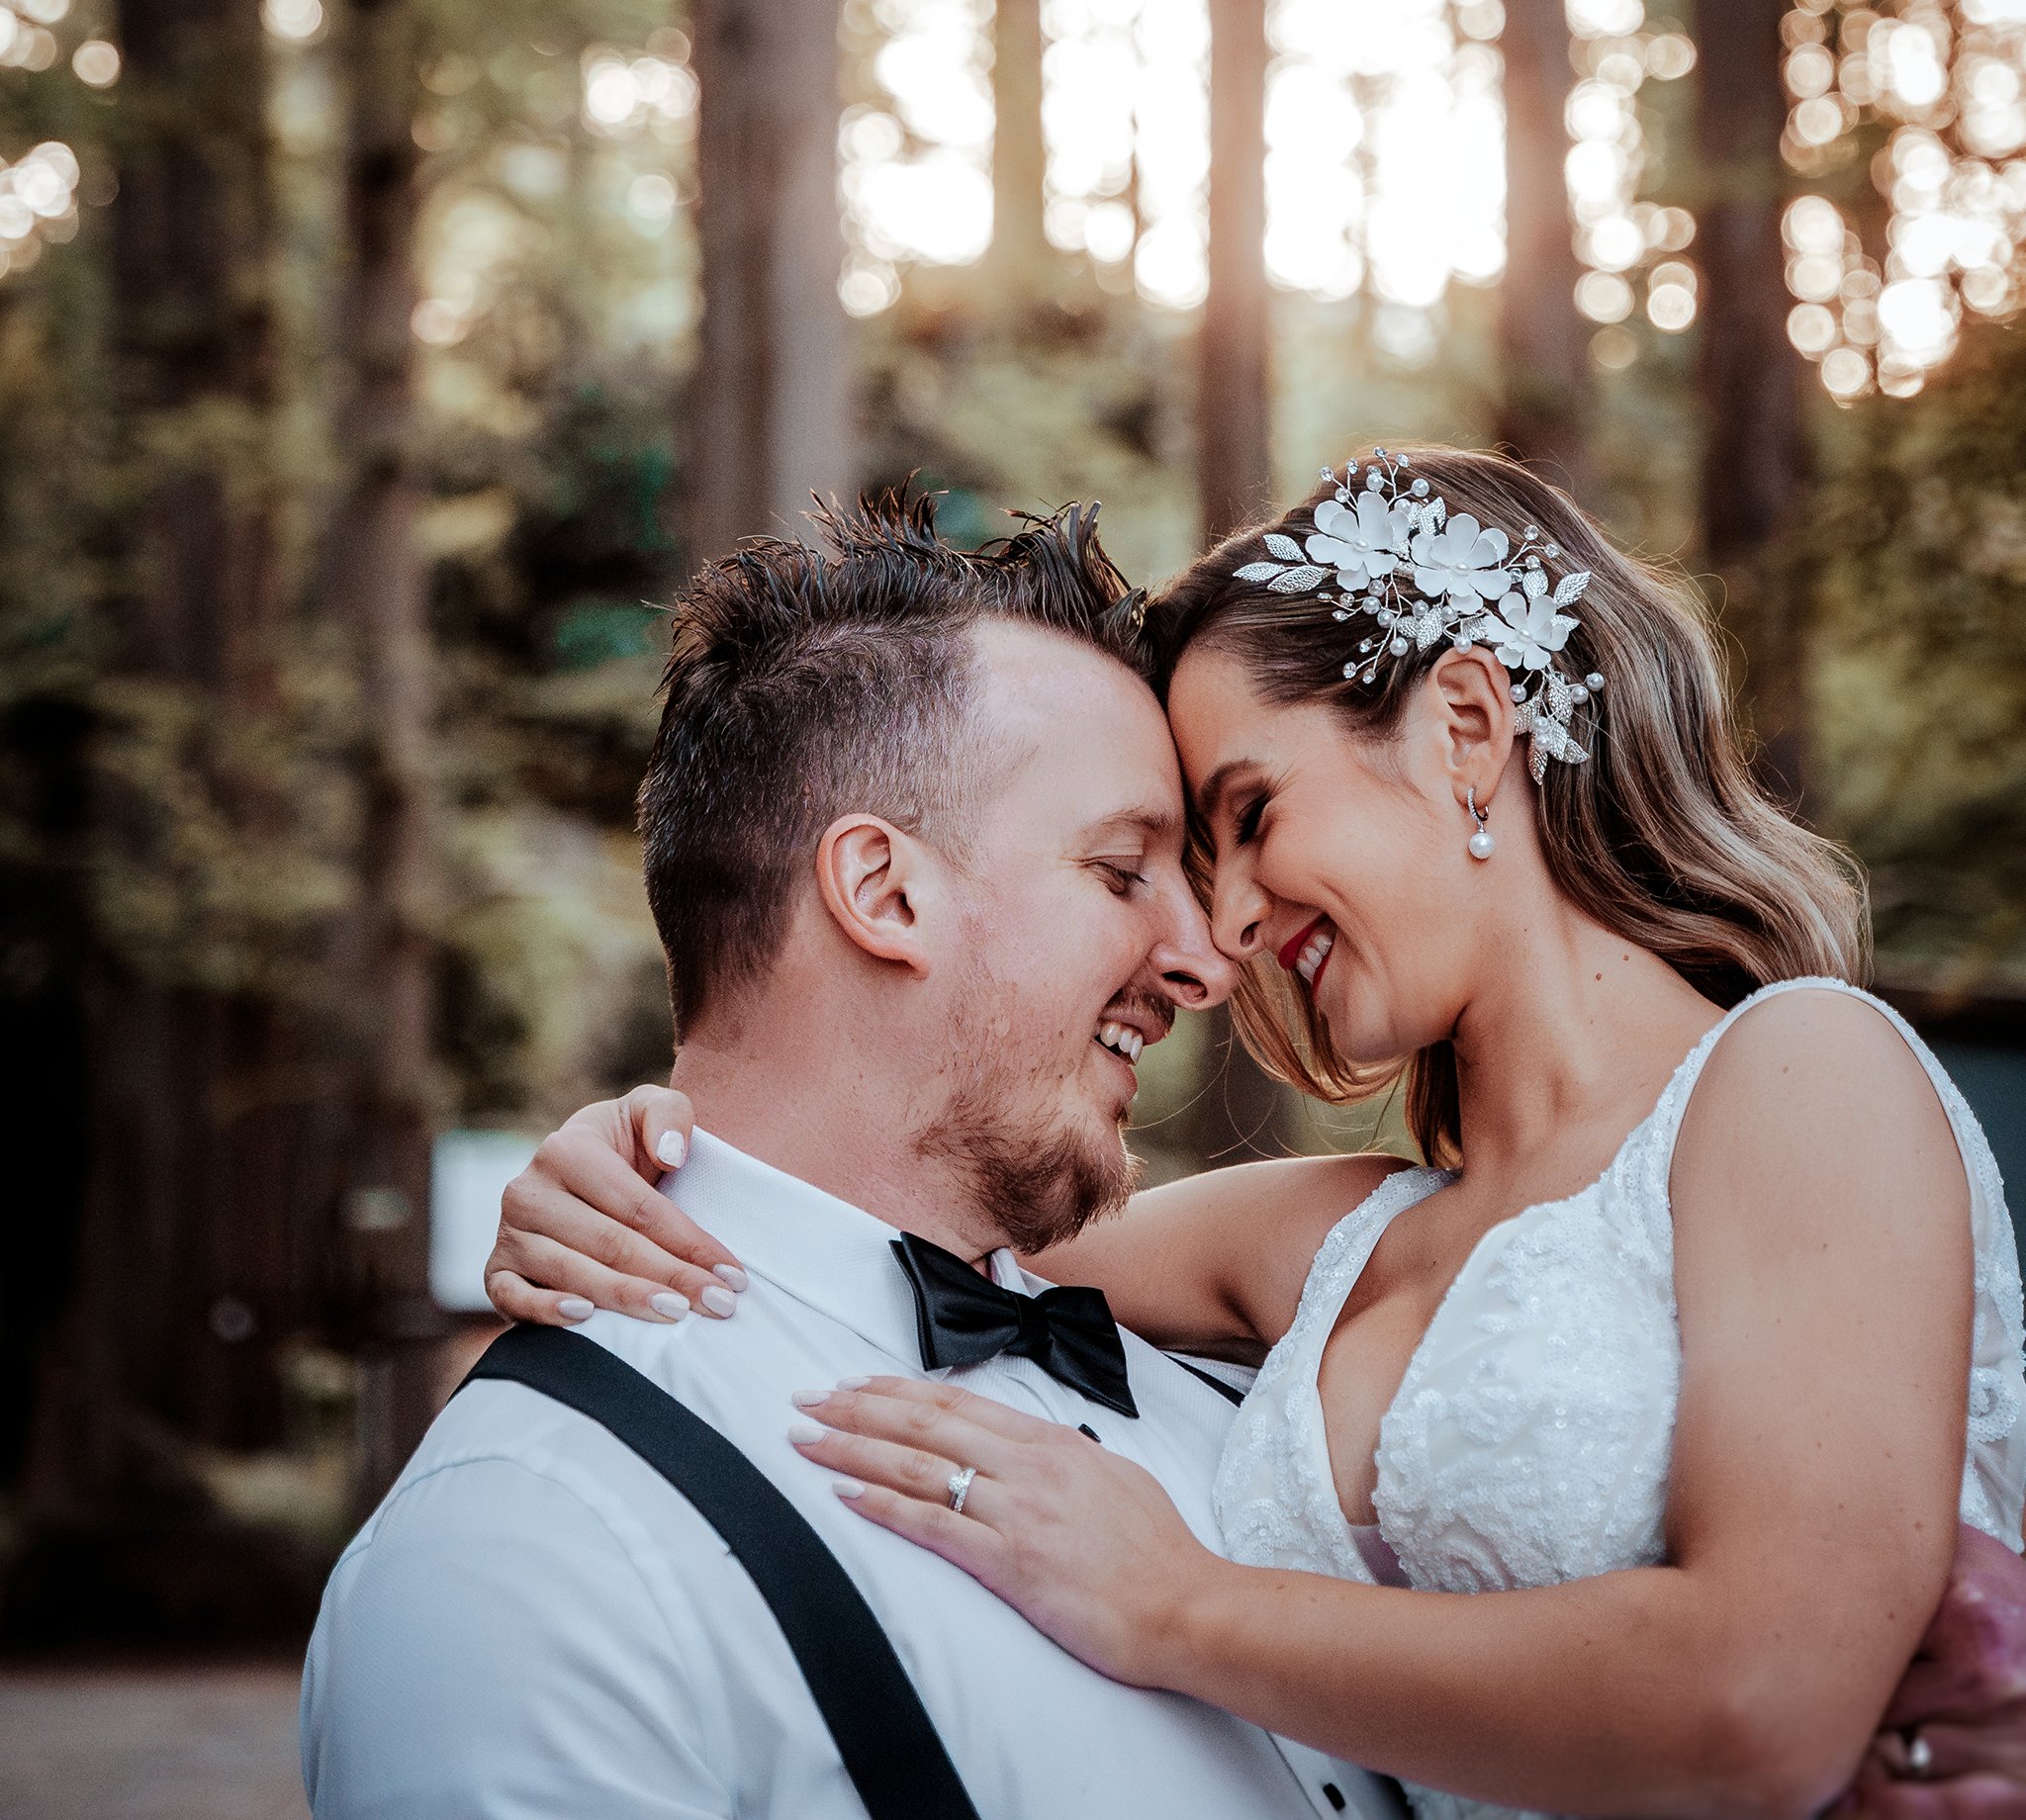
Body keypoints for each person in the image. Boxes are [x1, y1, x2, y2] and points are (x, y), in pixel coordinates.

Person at [490, 452, 2026, 1820]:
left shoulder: (1805, 1076)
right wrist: (633, 1153)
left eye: (1249, 815)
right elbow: (898, 1189)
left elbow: (1757, 1709)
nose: (1220, 931)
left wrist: (1179, 1608)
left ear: (1469, 729)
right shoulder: (1334, 1237)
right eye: (1172, 858)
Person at [301, 497, 1396, 1820]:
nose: (1206, 961)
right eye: (1121, 870)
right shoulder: (527, 1551)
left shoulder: (1244, 1383)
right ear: (883, 893)